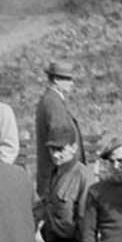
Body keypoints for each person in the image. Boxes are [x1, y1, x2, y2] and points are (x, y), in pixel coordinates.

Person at [35, 60, 83, 201]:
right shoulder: (52, 103)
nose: (72, 83)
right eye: (68, 79)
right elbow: (59, 143)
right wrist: (69, 175)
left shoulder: (52, 100)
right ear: (56, 80)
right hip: (59, 179)